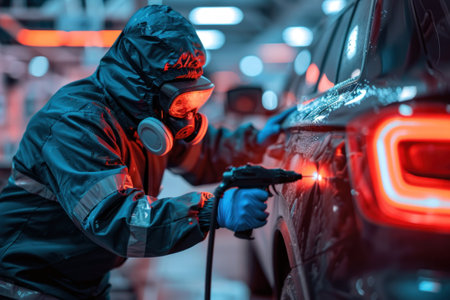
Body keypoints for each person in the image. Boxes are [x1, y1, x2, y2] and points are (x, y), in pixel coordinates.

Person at [0, 5, 292, 300]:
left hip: (81, 281)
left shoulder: (144, 116)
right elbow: (117, 218)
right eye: (179, 100)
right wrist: (212, 209)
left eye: (192, 97)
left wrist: (255, 142)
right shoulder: (76, 124)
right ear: (141, 87)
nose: (187, 117)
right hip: (26, 284)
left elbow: (201, 152)